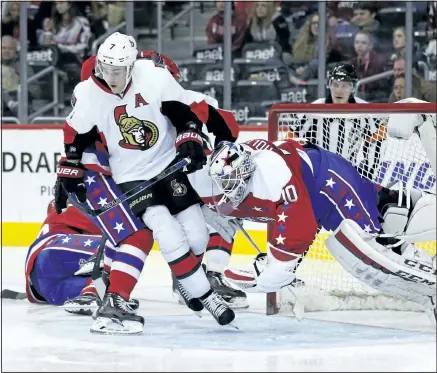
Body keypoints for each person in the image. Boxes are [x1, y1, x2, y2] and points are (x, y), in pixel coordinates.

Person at [55, 32, 236, 334]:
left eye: (117, 71)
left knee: (197, 235)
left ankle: (186, 283)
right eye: (106, 69)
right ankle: (207, 296)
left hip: (168, 166)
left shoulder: (153, 76)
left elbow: (183, 112)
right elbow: (75, 136)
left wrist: (190, 135)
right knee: (161, 230)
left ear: (131, 67)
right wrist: (68, 169)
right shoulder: (88, 92)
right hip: (132, 179)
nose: (110, 77)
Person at [195, 137, 436, 317]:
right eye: (223, 181)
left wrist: (276, 270)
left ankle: (428, 272)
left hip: (330, 183)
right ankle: (415, 205)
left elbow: (301, 225)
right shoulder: (229, 169)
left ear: (245, 170)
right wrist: (206, 209)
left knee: (371, 245)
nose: (226, 186)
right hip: (316, 194)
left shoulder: (272, 176)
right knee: (381, 207)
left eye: (229, 180)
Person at [25, 199, 140, 315]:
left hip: (41, 288)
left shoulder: (60, 211)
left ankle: (90, 294)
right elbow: (115, 229)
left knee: (105, 290)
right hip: (51, 253)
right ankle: (102, 291)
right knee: (118, 246)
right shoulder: (74, 207)